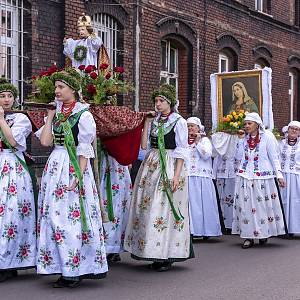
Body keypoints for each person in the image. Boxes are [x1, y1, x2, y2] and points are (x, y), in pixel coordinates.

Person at [36, 69, 108, 288]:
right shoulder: (57, 113)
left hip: (74, 166)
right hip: (55, 165)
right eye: (56, 87)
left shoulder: (83, 115)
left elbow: (85, 149)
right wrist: (49, 117)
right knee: (55, 218)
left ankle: (75, 268)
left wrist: (78, 175)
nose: (57, 91)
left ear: (72, 89)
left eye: (61, 87)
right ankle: (61, 266)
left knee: (72, 219)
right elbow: (46, 142)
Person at [124, 84, 192, 272]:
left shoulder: (178, 122)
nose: (158, 104)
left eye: (161, 101)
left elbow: (182, 151)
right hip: (152, 164)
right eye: (156, 101)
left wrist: (176, 176)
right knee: (149, 206)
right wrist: (146, 123)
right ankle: (151, 249)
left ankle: (167, 254)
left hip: (169, 164)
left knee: (165, 208)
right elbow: (144, 145)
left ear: (170, 103)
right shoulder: (155, 122)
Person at [232, 112, 286, 248]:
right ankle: (248, 236)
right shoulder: (244, 138)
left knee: (262, 207)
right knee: (245, 208)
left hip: (262, 177)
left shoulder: (267, 136)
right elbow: (238, 157)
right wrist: (240, 140)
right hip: (245, 176)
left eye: (249, 123)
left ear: (257, 124)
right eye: (245, 124)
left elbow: (274, 157)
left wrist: (279, 175)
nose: (246, 126)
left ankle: (263, 233)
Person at [0, 79, 36, 282]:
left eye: (9, 96)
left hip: (12, 166)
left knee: (10, 213)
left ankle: (10, 262)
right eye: (2, 96)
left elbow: (13, 142)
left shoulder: (20, 119)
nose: (6, 100)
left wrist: (1, 120)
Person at [187, 117, 222, 240]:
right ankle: (192, 230)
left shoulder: (205, 140)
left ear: (198, 128)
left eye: (192, 126)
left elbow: (206, 155)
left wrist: (197, 143)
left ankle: (207, 231)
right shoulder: (183, 141)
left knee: (204, 204)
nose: (190, 128)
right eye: (188, 126)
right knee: (191, 205)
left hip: (202, 176)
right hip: (188, 176)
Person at [100, 150, 132, 263]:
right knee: (105, 203)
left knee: (116, 205)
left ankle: (113, 247)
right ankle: (106, 246)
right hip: (101, 160)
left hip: (116, 163)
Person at [279, 121, 300, 236]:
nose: (294, 131)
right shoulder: (280, 143)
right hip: (282, 177)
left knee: (295, 202)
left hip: (296, 177)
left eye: (297, 129)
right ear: (288, 130)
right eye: (292, 128)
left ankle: (294, 228)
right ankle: (282, 228)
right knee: (283, 201)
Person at [213, 155, 239, 233]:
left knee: (232, 201)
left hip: (234, 173)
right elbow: (216, 156)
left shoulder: (239, 143)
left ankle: (232, 226)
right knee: (220, 200)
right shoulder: (220, 142)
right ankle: (222, 224)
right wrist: (213, 175)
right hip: (221, 172)